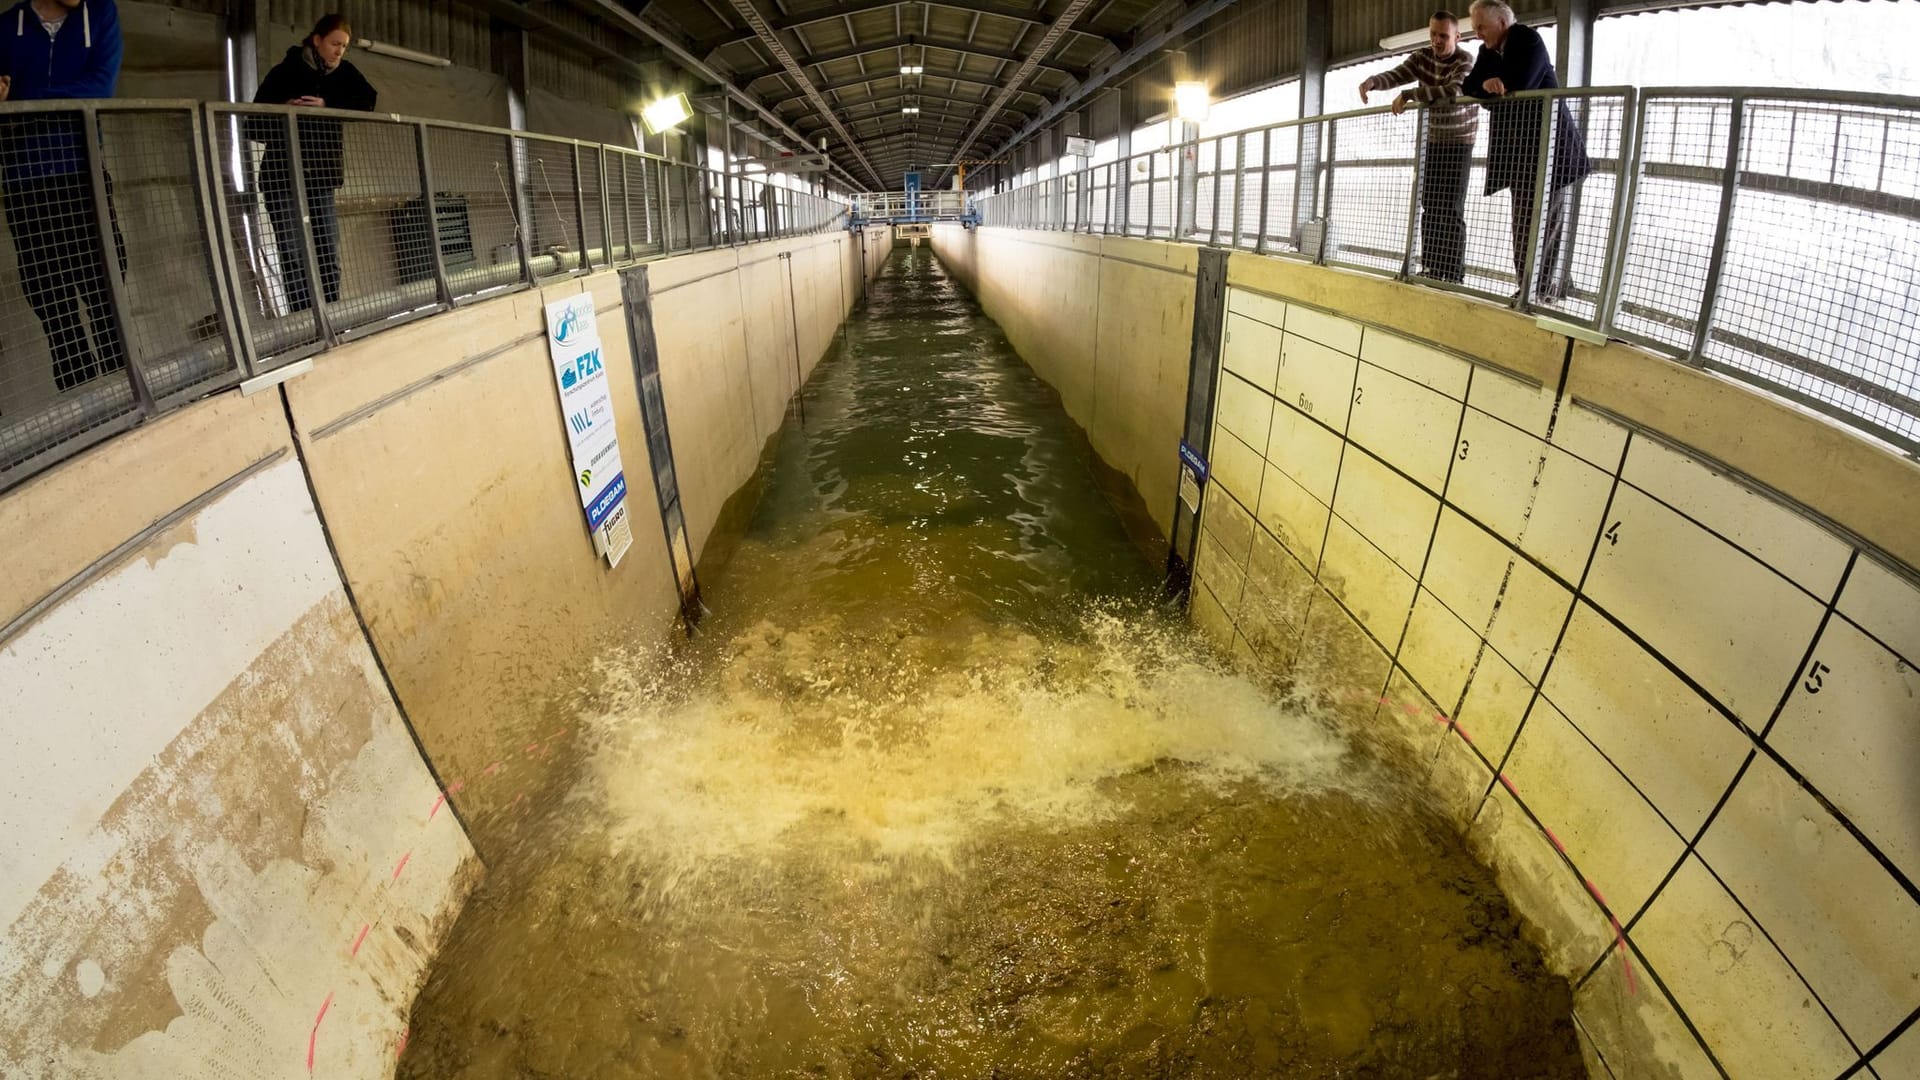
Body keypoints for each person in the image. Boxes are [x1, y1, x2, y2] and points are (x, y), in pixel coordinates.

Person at [0, 0, 128, 393]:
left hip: (81, 167)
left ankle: (126, 386)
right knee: (48, 290)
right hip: (24, 175)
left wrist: (23, 97)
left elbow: (101, 86)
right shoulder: (7, 27)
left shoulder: (100, 14)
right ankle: (81, 400)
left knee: (105, 278)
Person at [1462, 0, 1590, 301]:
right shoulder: (1488, 52)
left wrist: (1496, 85)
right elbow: (1469, 86)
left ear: (1501, 23)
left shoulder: (1527, 40)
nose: (1478, 34)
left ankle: (1541, 293)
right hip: (1521, 156)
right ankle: (1528, 288)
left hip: (1552, 154)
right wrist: (1490, 85)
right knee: (1523, 226)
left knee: (1546, 226)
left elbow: (1521, 84)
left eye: (1481, 27)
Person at [251, 14, 376, 314]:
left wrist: (326, 104)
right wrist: (283, 111)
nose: (339, 51)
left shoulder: (345, 74)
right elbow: (252, 124)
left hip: (321, 176)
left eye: (344, 46)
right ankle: (304, 319)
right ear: (317, 40)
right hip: (282, 175)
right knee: (292, 252)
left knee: (326, 249)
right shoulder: (285, 72)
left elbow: (369, 102)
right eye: (334, 43)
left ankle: (332, 314)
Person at [1358, 10, 1476, 283]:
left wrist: (1411, 94)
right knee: (1430, 204)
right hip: (1432, 140)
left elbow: (1452, 91)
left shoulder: (1465, 61)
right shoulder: (1422, 58)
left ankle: (1453, 273)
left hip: (1459, 142)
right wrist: (1373, 82)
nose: (1436, 40)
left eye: (1443, 36)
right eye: (1433, 34)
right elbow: (1399, 74)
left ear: (1457, 37)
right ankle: (1432, 267)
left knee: (1452, 207)